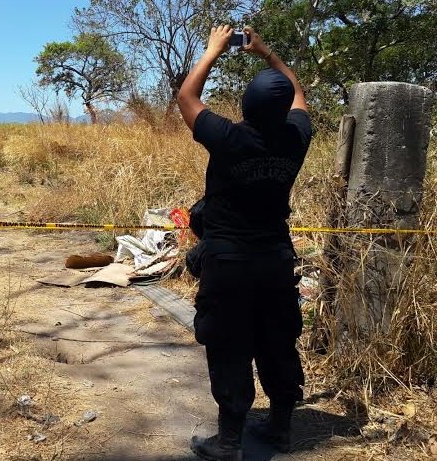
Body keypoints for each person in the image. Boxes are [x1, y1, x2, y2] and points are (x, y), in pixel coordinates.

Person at [177, 26, 313, 461]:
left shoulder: (229, 137)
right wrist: (269, 54)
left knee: (230, 343)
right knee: (277, 339)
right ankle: (281, 427)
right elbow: (299, 97)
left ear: (245, 106)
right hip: (275, 260)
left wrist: (214, 50)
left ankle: (230, 441)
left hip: (229, 263)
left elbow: (186, 98)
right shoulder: (296, 137)